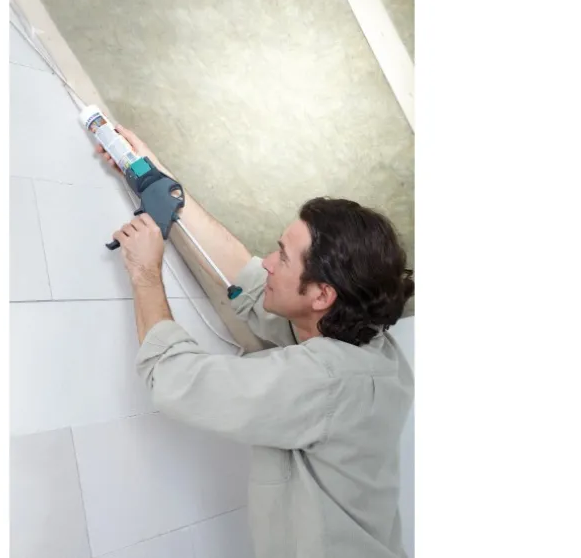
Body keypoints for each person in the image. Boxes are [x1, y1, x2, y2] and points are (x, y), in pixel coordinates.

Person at [95, 125, 415, 558]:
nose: (267, 262)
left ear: (322, 295)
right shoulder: (370, 343)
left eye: (282, 256)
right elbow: (245, 278)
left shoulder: (324, 380)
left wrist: (144, 272)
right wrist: (159, 181)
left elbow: (173, 378)